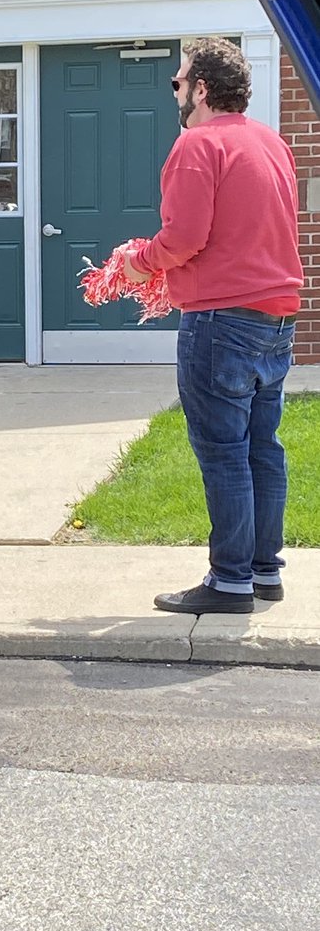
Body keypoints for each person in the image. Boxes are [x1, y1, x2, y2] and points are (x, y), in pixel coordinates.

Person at [122, 37, 303, 615]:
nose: (174, 89)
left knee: (224, 452)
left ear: (200, 88)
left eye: (178, 80)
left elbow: (183, 240)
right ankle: (262, 571)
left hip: (221, 320)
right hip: (275, 318)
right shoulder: (271, 142)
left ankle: (228, 583)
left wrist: (136, 262)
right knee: (261, 449)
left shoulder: (196, 146)